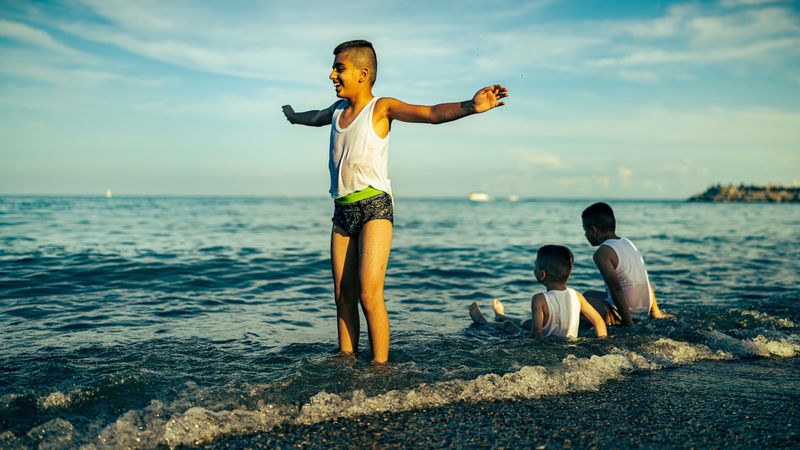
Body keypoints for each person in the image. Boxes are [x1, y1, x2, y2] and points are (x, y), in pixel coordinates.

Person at [282, 40, 509, 363]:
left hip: (375, 207)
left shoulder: (381, 107)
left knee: (368, 293)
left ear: (363, 73)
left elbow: (430, 114)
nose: (332, 74)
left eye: (339, 68)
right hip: (342, 211)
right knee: (342, 295)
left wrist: (470, 106)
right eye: (333, 68)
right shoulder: (336, 112)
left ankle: (380, 366)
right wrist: (294, 118)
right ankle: (346, 357)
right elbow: (316, 116)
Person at [469, 245, 607, 339]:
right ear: (569, 272)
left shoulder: (539, 299)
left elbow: (537, 334)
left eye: (535, 266)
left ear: (542, 275)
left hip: (547, 346)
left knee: (509, 326)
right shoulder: (577, 295)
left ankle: (485, 322)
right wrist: (602, 342)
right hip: (569, 346)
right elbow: (599, 321)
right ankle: (500, 315)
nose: (533, 268)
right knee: (527, 322)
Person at [580, 202, 672, 326]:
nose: (585, 235)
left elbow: (616, 288)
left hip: (626, 314)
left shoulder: (602, 253)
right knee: (587, 295)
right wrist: (656, 312)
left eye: (585, 230)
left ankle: (618, 320)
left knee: (579, 305)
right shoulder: (627, 243)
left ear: (593, 231)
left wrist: (628, 324)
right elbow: (644, 279)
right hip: (643, 309)